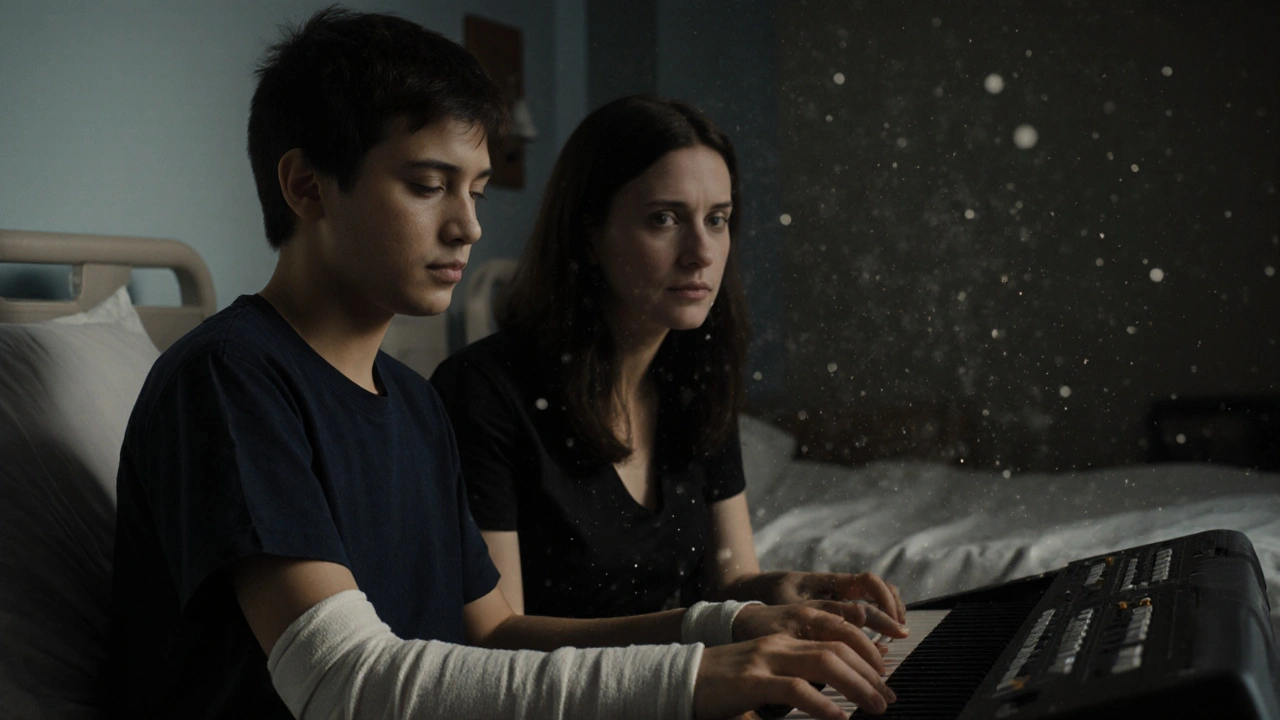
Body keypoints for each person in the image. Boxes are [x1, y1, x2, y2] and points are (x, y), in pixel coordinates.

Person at [107, 9, 901, 720]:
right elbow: (343, 681)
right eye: (429, 186)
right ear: (307, 187)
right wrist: (694, 677)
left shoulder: (413, 404)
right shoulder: (231, 377)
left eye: (478, 192)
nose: (469, 228)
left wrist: (726, 627)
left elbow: (496, 633)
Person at [430, 96, 909, 624]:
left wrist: (786, 589)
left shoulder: (698, 377)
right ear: (589, 235)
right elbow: (495, 639)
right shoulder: (484, 391)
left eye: (718, 220)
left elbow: (731, 581)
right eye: (664, 218)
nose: (701, 251)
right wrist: (708, 633)